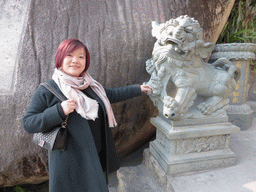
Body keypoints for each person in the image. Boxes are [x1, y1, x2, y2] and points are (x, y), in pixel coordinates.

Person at [23, 39, 152, 192]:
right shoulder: (48, 89)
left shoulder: (89, 85)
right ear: (60, 58)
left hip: (93, 154)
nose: (75, 60)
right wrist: (58, 111)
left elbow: (110, 94)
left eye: (81, 57)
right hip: (68, 163)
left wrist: (138, 89)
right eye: (69, 55)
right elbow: (29, 123)